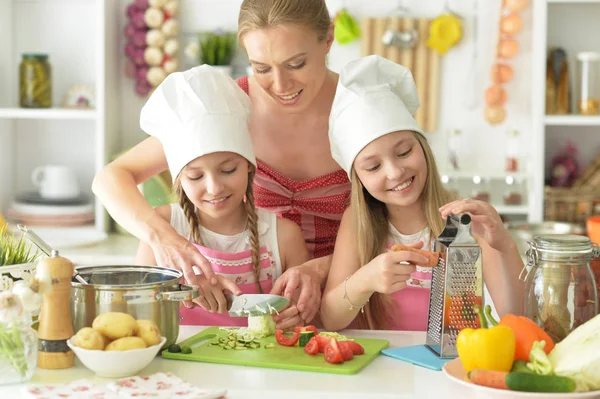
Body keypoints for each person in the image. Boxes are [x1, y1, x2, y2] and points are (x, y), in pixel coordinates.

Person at [92, 0, 345, 326]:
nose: (280, 87)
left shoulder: (357, 109)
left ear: (328, 38)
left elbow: (397, 224)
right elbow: (111, 178)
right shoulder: (229, 106)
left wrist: (321, 267)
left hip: (350, 297)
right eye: (262, 68)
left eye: (296, 64)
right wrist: (165, 240)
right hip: (271, 311)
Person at [320, 55, 525, 331]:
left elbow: (519, 319)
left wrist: (504, 246)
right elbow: (331, 320)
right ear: (358, 178)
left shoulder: (463, 220)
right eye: (373, 166)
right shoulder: (357, 222)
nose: (394, 172)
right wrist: (365, 280)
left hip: (451, 369)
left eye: (404, 152)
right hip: (382, 369)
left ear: (423, 148)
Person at [135, 65, 309, 328]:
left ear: (250, 166)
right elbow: (139, 313)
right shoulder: (162, 229)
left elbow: (301, 319)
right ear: (179, 178)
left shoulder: (284, 236)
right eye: (195, 176)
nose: (214, 188)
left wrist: (296, 316)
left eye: (228, 169)